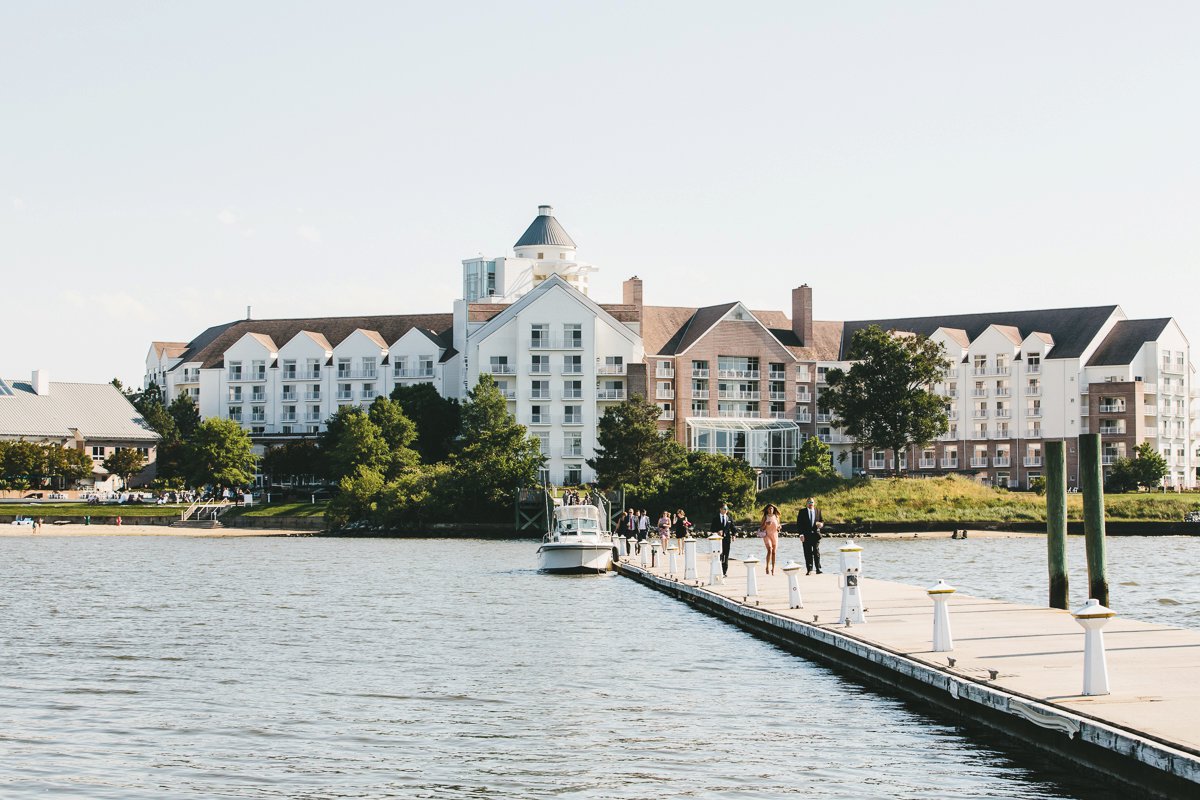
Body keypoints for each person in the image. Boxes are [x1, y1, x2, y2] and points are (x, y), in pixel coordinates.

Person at [797, 497, 824, 574]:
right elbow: (799, 524)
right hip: (806, 535)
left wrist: (821, 524)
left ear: (814, 503)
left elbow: (821, 520)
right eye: (809, 502)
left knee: (816, 552)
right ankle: (809, 569)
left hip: (816, 535)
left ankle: (818, 569)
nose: (810, 504)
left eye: (812, 502)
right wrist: (801, 535)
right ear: (806, 503)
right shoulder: (802, 512)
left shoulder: (818, 511)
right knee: (807, 552)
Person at [711, 503, 736, 577]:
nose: (725, 510)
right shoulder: (715, 518)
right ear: (720, 509)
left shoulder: (729, 518)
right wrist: (717, 531)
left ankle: (724, 571)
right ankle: (718, 570)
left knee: (726, 555)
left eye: (726, 509)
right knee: (719, 555)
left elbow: (733, 528)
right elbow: (712, 529)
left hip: (727, 539)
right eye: (724, 509)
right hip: (718, 540)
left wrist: (734, 535)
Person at [760, 504, 781, 575]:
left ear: (774, 509)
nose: (770, 510)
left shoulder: (776, 516)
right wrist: (766, 524)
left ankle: (773, 568)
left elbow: (778, 526)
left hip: (774, 535)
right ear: (767, 510)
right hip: (767, 535)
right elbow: (761, 528)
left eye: (771, 508)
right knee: (769, 549)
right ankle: (767, 567)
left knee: (774, 552)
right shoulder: (765, 517)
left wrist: (779, 528)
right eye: (769, 509)